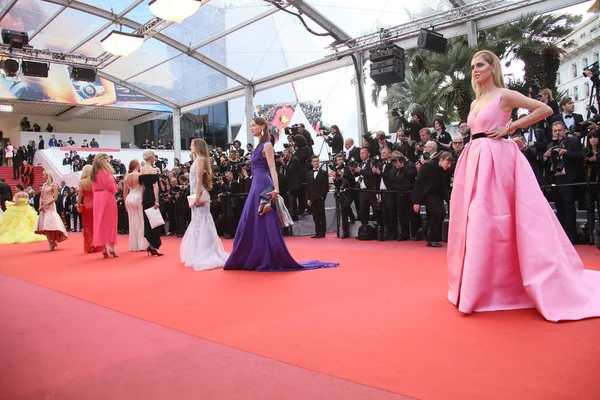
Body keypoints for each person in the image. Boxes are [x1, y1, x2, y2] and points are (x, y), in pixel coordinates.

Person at [447, 50, 600, 322]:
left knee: (499, 218)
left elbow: (545, 109)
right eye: (472, 66)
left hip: (498, 159)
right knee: (476, 220)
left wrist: (511, 127)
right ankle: (480, 286)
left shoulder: (504, 95)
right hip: (475, 160)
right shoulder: (476, 102)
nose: (475, 70)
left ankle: (503, 286)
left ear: (493, 67)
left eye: (480, 65)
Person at [224, 117, 337, 271]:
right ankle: (252, 253)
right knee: (252, 219)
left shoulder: (267, 145)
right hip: (256, 185)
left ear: (262, 126)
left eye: (253, 125)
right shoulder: (259, 145)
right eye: (250, 125)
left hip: (264, 184)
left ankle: (265, 255)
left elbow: (272, 169)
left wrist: (276, 189)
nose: (251, 128)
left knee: (264, 217)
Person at [180, 139, 229, 271]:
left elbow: (199, 180)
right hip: (196, 193)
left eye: (191, 145)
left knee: (203, 221)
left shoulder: (200, 159)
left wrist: (196, 195)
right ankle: (198, 250)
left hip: (199, 194)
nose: (190, 146)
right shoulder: (198, 159)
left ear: (197, 146)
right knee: (198, 221)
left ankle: (205, 250)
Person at [91, 153, 119, 258]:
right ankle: (111, 247)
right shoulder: (106, 172)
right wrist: (116, 186)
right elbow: (111, 186)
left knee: (100, 222)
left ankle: (103, 248)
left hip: (97, 198)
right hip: (107, 196)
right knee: (111, 221)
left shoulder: (94, 173)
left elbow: (93, 188)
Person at [34, 170, 68, 251]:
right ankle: (50, 243)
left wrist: (45, 204)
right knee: (45, 226)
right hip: (43, 206)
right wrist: (40, 205)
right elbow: (41, 196)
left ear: (47, 175)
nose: (43, 176)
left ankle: (53, 241)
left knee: (50, 225)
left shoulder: (54, 185)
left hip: (50, 206)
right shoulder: (44, 185)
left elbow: (55, 198)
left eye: (44, 175)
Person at [139, 150, 163, 256]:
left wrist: (141, 198)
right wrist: (156, 200)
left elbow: (142, 186)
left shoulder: (142, 169)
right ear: (150, 157)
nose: (155, 158)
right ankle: (154, 245)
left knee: (148, 221)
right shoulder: (152, 170)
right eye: (154, 156)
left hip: (145, 196)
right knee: (155, 221)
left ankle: (150, 245)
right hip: (152, 196)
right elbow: (155, 186)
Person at [122, 159, 148, 252]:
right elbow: (144, 189)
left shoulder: (126, 177)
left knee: (132, 221)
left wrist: (125, 203)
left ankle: (134, 245)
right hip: (137, 198)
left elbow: (124, 193)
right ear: (137, 165)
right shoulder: (140, 176)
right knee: (140, 221)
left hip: (129, 198)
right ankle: (142, 244)